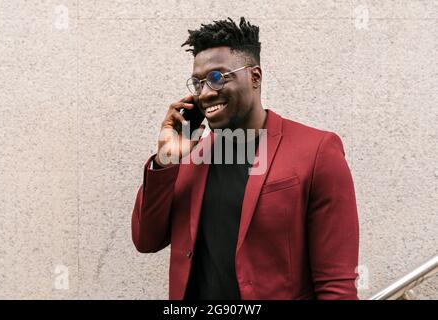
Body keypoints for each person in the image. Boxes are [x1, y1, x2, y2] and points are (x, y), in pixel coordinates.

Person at [131, 17, 359, 300]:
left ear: (255, 77)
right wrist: (165, 160)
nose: (205, 93)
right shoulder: (190, 156)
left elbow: (336, 286)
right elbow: (146, 240)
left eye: (217, 77)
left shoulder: (317, 151)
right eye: (197, 82)